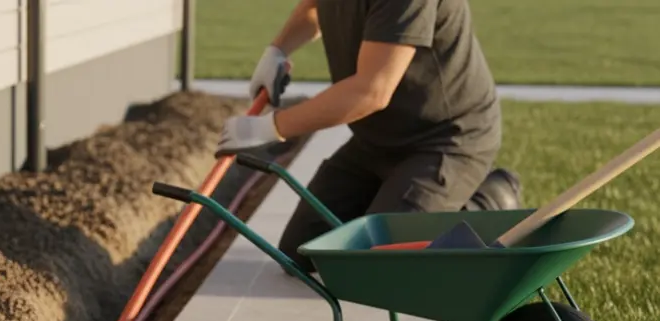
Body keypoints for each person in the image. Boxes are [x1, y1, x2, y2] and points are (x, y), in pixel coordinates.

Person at [218, 0, 523, 273]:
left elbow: (371, 91)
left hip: (445, 140)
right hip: (375, 141)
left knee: (380, 265)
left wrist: (270, 127)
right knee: (300, 254)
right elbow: (312, 6)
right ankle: (396, 204)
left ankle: (491, 198)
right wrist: (278, 50)